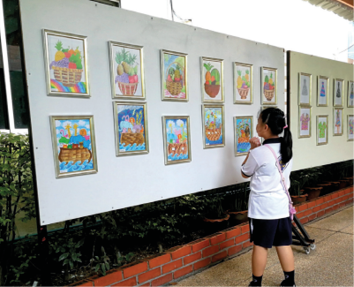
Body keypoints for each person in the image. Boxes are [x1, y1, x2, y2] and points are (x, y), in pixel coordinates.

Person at [241, 107, 296, 287]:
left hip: (263, 208)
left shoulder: (259, 152)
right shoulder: (287, 148)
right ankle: (290, 282)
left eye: (258, 122)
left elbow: (244, 172)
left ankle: (256, 284)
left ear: (265, 127)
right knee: (283, 243)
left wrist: (252, 149)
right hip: (281, 206)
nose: (256, 125)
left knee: (261, 245)